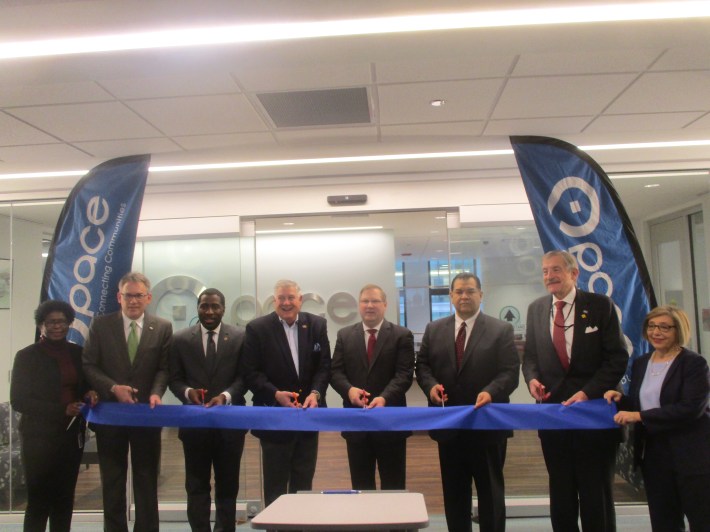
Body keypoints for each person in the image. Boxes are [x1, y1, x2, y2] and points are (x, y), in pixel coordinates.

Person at [522, 250, 628, 532]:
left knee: (596, 493)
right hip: (553, 416)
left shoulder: (599, 305)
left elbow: (616, 358)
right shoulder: (536, 309)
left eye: (555, 270)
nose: (549, 276)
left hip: (593, 415)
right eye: (545, 271)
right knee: (561, 490)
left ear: (574, 273)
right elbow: (530, 357)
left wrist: (588, 392)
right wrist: (531, 379)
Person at [416, 272, 519, 532]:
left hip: (487, 424)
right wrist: (430, 388)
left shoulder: (501, 329)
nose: (464, 296)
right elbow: (423, 367)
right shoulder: (434, 329)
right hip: (449, 426)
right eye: (459, 291)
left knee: (491, 494)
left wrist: (491, 392)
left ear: (481, 295)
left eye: (470, 291)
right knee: (454, 493)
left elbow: (509, 372)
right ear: (450, 296)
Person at [605, 306, 710, 531]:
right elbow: (641, 402)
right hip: (654, 454)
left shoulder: (693, 363)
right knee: (664, 520)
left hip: (691, 455)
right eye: (652, 326)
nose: (656, 332)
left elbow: (691, 408)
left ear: (678, 330)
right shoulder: (642, 362)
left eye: (664, 327)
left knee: (701, 519)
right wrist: (621, 399)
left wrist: (639, 415)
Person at [82, 271, 172, 532]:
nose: (133, 301)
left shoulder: (163, 327)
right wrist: (112, 388)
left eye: (139, 296)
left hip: (146, 413)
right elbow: (89, 364)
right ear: (119, 297)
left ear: (148, 298)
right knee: (112, 479)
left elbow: (164, 369)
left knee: (146, 479)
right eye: (128, 295)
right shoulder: (100, 325)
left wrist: (156, 392)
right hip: (111, 414)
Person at [240, 279, 331, 506]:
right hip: (273, 418)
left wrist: (316, 394)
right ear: (274, 300)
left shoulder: (317, 324)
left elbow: (324, 367)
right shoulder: (257, 328)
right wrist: (275, 394)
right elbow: (251, 372)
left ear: (300, 300)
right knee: (275, 486)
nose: (286, 302)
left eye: (291, 297)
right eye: (281, 298)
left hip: (308, 417)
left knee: (303, 484)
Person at [10, 300, 98, 532]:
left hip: (70, 436)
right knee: (39, 500)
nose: (56, 326)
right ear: (42, 325)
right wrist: (61, 410)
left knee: (64, 499)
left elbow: (83, 386)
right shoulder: (26, 356)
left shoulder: (78, 353)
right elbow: (19, 400)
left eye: (61, 321)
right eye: (50, 322)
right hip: (37, 438)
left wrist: (89, 392)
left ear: (69, 323)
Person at [169, 288, 247, 532]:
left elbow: (245, 377)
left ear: (224, 308)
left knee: (228, 486)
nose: (210, 311)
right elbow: (174, 378)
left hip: (229, 426)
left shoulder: (240, 337)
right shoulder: (180, 339)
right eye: (204, 306)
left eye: (215, 306)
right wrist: (186, 393)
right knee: (196, 486)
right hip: (195, 426)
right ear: (198, 308)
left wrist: (225, 396)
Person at [330, 284, 414, 490]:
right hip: (356, 423)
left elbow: (404, 375)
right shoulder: (344, 335)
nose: (369, 305)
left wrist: (384, 398)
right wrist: (349, 390)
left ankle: (394, 523)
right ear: (359, 306)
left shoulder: (401, 335)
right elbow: (335, 372)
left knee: (393, 486)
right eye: (365, 301)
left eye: (375, 301)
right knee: (361, 486)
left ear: (385, 305)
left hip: (391, 423)